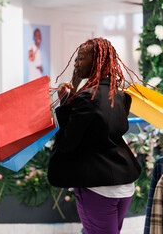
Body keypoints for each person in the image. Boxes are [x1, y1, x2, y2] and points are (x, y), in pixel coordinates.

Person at [47, 37, 142, 234]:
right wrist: (74, 86)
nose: (75, 63)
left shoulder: (86, 97)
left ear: (98, 60)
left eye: (81, 58)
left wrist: (64, 104)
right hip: (124, 184)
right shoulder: (120, 95)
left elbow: (66, 143)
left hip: (98, 186)